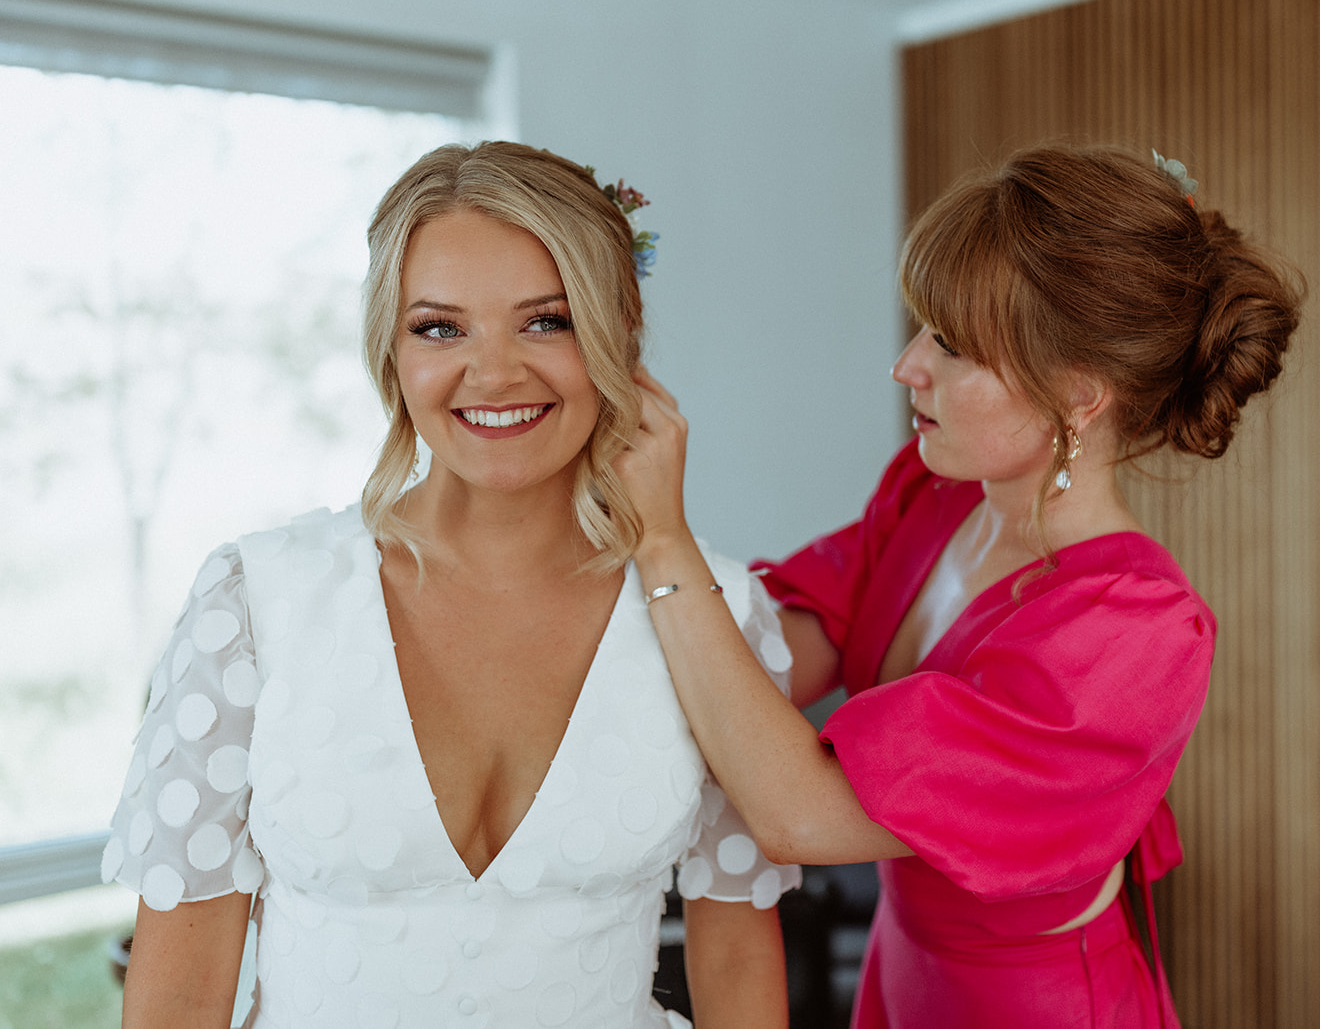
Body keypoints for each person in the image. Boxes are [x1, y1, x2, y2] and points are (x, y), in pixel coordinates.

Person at [103, 141, 799, 1029]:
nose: (496, 371)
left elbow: (737, 956)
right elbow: (182, 986)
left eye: (547, 320)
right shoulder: (253, 602)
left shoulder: (722, 613)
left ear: (620, 333)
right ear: (391, 352)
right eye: (440, 326)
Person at [617, 143, 1303, 1027]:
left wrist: (662, 540)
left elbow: (800, 814)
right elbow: (779, 647)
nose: (908, 365)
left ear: (1078, 394)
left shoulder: (1132, 638)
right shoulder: (935, 493)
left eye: (951, 344)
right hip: (903, 973)